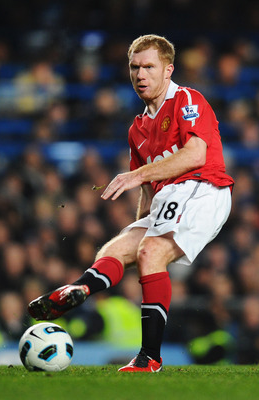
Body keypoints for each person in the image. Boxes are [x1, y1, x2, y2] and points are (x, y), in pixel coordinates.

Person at [28, 34, 234, 372]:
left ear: (168, 70)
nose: (141, 75)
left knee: (151, 251)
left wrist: (137, 177)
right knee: (115, 250)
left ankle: (149, 357)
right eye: (135, 67)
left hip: (203, 188)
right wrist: (138, 229)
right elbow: (150, 191)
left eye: (149, 67)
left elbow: (196, 155)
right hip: (170, 196)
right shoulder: (137, 128)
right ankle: (78, 288)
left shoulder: (186, 99)